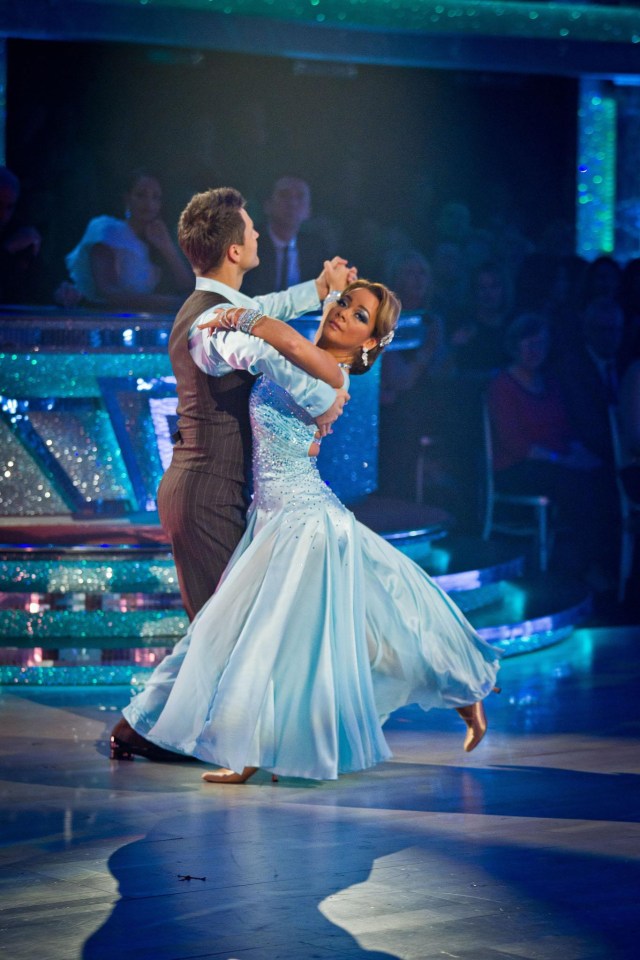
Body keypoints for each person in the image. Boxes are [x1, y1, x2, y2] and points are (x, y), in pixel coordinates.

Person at [114, 279, 501, 783]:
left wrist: (235, 318)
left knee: (273, 633)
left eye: (359, 315)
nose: (342, 312)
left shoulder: (323, 378)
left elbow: (283, 347)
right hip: (282, 515)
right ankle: (463, 692)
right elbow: (284, 349)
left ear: (369, 344)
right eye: (343, 302)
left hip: (302, 525)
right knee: (383, 617)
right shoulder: (311, 367)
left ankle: (248, 756)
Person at [110, 186, 353, 762]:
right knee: (225, 623)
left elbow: (268, 311)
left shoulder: (217, 306)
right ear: (235, 252)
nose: (257, 233)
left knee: (219, 623)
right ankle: (152, 730)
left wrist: (320, 291)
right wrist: (322, 395)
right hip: (204, 489)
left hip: (209, 486)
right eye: (249, 229)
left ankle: (149, 728)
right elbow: (263, 350)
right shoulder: (211, 325)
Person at [487, 313, 608, 579]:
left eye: (541, 344)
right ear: (515, 345)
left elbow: (564, 428)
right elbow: (512, 441)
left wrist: (577, 452)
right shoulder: (503, 385)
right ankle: (584, 569)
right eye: (529, 344)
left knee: (601, 475)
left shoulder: (550, 383)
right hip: (518, 467)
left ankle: (601, 562)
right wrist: (558, 458)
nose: (535, 351)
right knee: (574, 483)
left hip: (554, 462)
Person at [61, 169, 192, 309]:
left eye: (156, 197)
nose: (149, 204)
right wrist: (169, 302)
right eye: (141, 195)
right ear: (127, 198)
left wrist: (167, 247)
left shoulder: (156, 237)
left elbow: (188, 288)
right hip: (94, 318)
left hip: (137, 323)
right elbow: (108, 292)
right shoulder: (108, 229)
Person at [242, 176, 325, 296]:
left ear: (309, 210)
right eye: (284, 195)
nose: (292, 203)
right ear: (268, 205)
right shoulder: (250, 243)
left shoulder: (316, 248)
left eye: (300, 197)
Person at [0, 166, 43, 304]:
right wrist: (7, 248)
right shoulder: (14, 240)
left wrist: (60, 293)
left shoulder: (19, 233)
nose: (3, 215)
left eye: (9, 207)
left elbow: (36, 287)